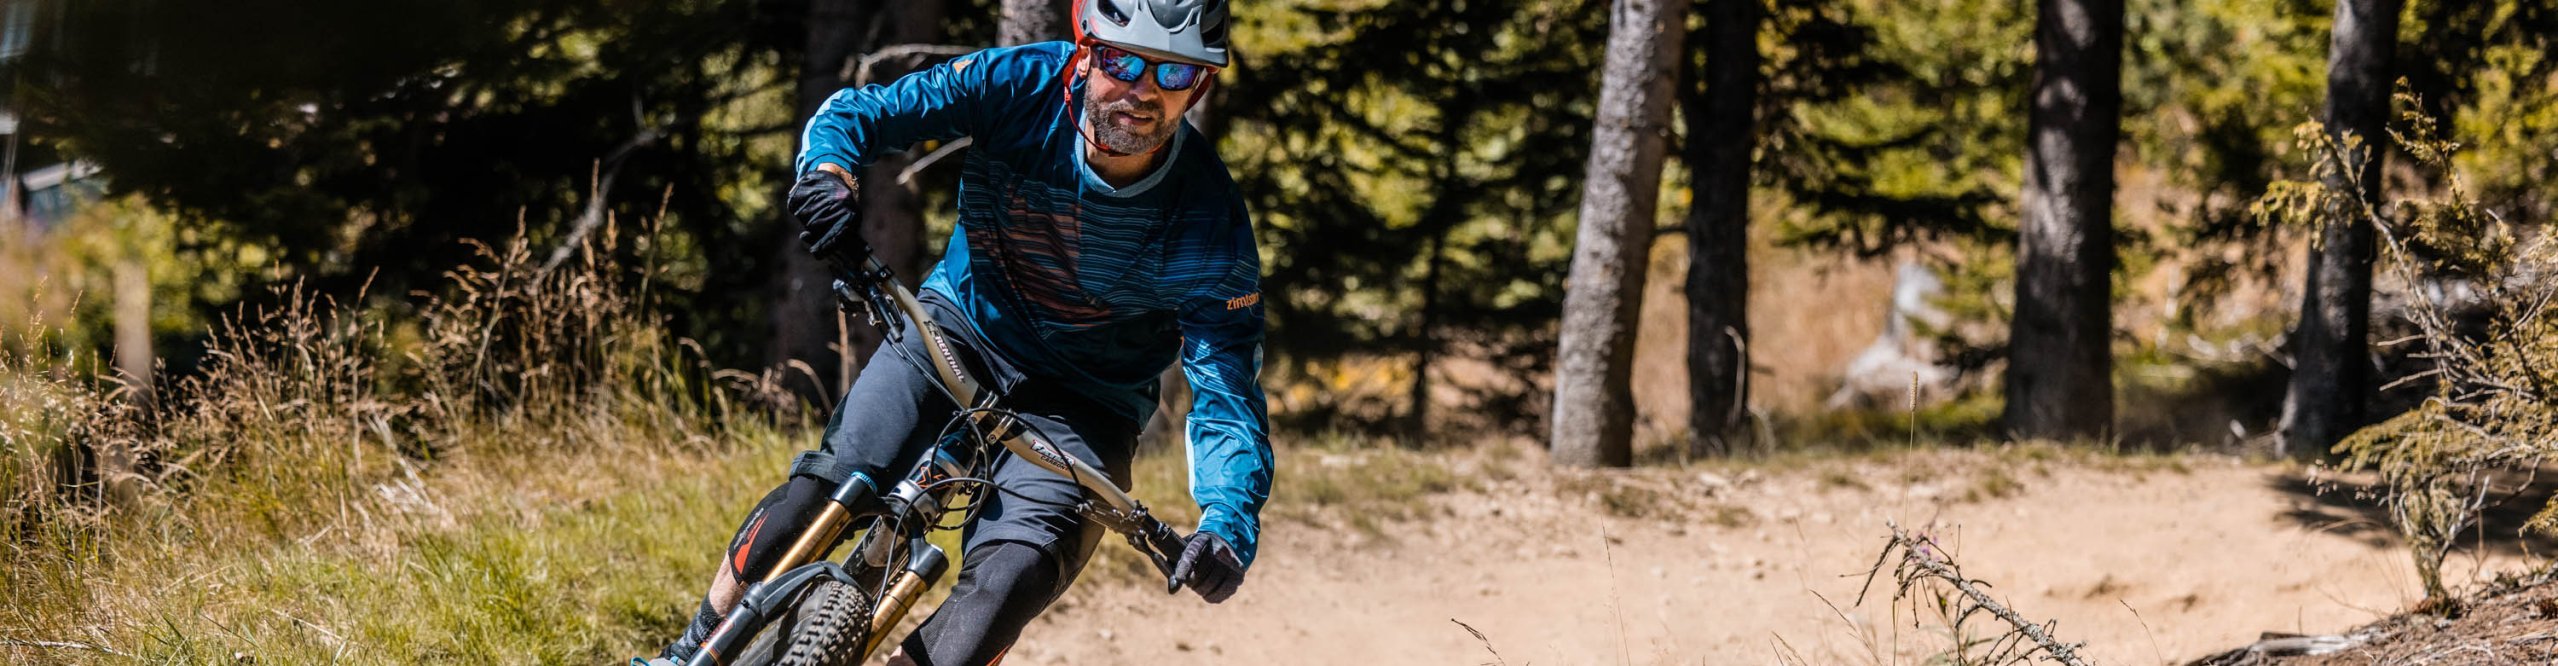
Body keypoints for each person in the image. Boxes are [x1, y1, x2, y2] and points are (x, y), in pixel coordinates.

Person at [653, 0, 1270, 663]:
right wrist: (828, 175)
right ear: (1086, 52)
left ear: (1199, 87)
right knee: (826, 487)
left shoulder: (1212, 225)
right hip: (959, 332)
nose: (1143, 91)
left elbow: (1227, 395)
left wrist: (1226, 524)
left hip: (1086, 405)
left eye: (1173, 74)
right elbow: (859, 114)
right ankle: (689, 651)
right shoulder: (1016, 84)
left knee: (1010, 581)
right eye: (1123, 60)